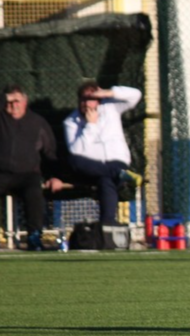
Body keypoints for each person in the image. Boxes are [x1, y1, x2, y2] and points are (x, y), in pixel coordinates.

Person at [63, 81, 142, 225]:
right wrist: (90, 125)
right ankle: (117, 173)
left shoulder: (111, 107)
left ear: (99, 100)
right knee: (73, 160)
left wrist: (109, 92)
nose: (87, 104)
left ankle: (107, 225)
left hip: (116, 160)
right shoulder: (71, 121)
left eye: (91, 99)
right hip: (89, 169)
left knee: (106, 180)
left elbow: (136, 95)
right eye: (83, 99)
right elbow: (76, 150)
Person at [0, 84, 64, 250]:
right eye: (9, 101)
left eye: (17, 101)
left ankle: (34, 236)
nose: (14, 105)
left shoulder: (37, 122)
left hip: (28, 175)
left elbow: (50, 152)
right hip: (2, 173)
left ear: (25, 101)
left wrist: (54, 176)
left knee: (34, 193)